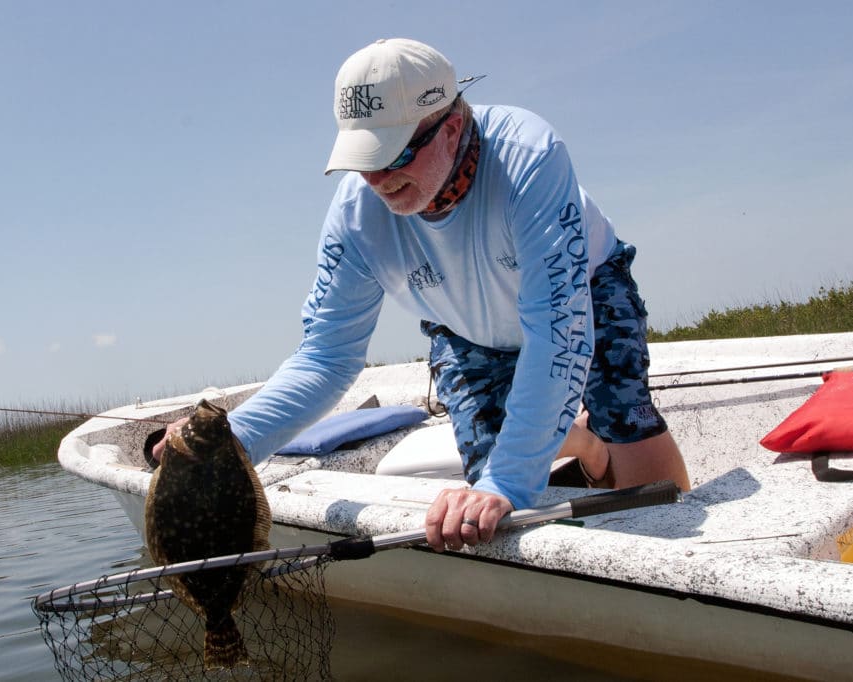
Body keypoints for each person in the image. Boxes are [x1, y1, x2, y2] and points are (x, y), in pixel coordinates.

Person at [154, 37, 689, 553]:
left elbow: (557, 334)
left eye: (394, 154)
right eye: (363, 159)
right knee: (483, 498)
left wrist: (507, 482)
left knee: (622, 422)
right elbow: (326, 357)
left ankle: (627, 467)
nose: (378, 179)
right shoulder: (354, 217)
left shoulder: (530, 154)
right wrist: (229, 444)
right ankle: (582, 444)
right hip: (463, 331)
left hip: (581, 298)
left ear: (452, 127)